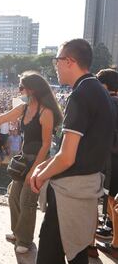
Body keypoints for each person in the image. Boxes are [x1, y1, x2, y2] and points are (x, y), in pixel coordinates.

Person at [30, 39, 114, 264]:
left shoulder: (80, 95)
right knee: (68, 252)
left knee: (54, 255)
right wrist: (44, 166)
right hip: (86, 186)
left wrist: (40, 175)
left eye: (56, 60)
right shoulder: (98, 90)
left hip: (70, 190)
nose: (55, 65)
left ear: (69, 61)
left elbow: (67, 157)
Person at [0, 71, 63, 253]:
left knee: (27, 201)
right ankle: (17, 232)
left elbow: (46, 145)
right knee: (14, 196)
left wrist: (36, 170)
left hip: (38, 160)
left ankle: (25, 240)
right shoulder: (23, 108)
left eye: (21, 86)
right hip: (24, 159)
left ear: (32, 90)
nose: (19, 89)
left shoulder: (45, 112)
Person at [94, 69, 118, 258]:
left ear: (104, 86)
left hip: (112, 158)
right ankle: (112, 234)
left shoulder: (108, 103)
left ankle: (116, 243)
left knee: (111, 199)